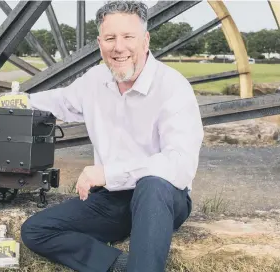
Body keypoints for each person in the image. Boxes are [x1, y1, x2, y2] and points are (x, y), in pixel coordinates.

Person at [20, 1, 204, 272]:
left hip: (162, 199)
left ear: (145, 40)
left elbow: (179, 164)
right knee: (36, 230)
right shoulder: (95, 80)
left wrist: (110, 173)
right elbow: (58, 102)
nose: (119, 47)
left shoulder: (173, 87)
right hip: (112, 200)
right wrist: (9, 102)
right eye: (110, 38)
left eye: (128, 37)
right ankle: (120, 266)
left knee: (152, 184)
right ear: (100, 43)